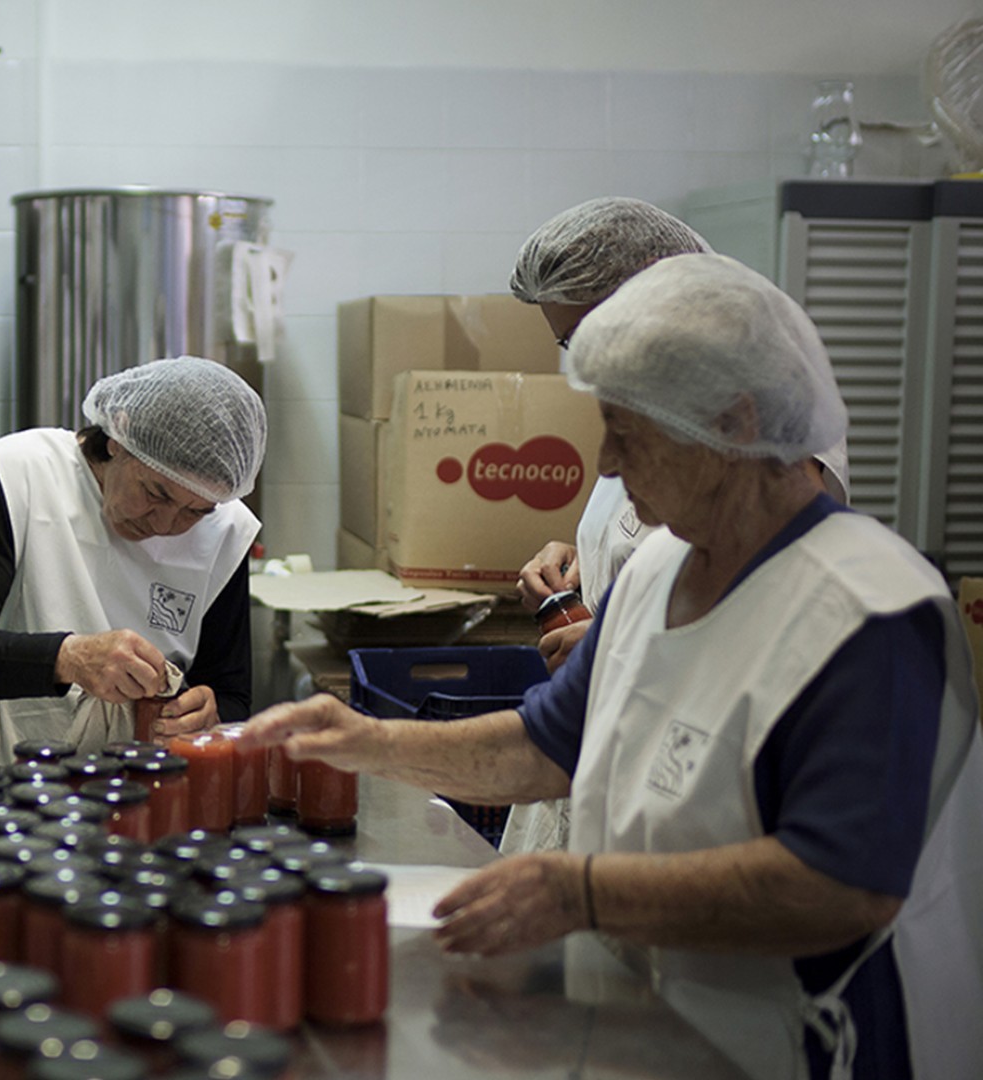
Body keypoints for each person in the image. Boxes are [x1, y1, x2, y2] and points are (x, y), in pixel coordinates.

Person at [245, 254, 983, 1080]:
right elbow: (545, 745)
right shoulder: (662, 566)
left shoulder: (869, 615)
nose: (604, 463)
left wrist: (583, 894)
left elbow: (840, 888)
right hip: (659, 1017)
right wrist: (368, 742)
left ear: (735, 425)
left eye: (628, 434)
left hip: (809, 1043)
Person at [499, 198, 849, 857]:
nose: (589, 362)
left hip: (681, 784)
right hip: (609, 754)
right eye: (571, 346)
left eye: (594, 335)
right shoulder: (654, 401)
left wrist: (624, 655)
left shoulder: (770, 441)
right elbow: (661, 545)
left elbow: (769, 626)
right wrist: (586, 558)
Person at [0, 357, 266, 765]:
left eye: (195, 512)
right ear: (119, 436)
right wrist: (70, 658)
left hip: (151, 794)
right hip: (12, 788)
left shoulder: (226, 531)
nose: (167, 523)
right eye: (156, 493)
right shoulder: (28, 476)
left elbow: (232, 693)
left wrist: (212, 711)